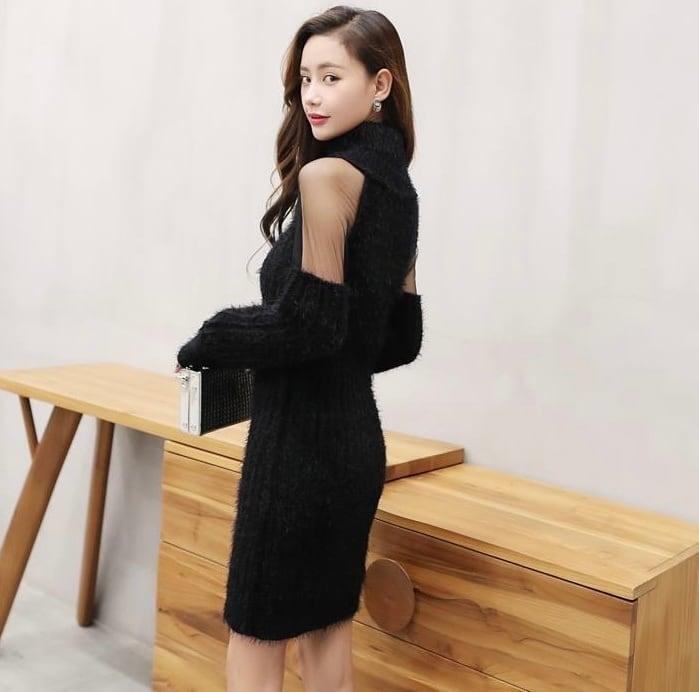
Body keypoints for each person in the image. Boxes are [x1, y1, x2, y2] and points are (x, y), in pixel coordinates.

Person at [176, 5, 422, 691]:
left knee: (256, 631)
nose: (313, 95)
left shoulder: (326, 179)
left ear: (380, 84)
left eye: (332, 77)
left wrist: (213, 337)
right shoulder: (400, 191)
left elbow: (311, 326)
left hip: (297, 452)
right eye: (306, 78)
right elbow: (400, 340)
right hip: (355, 448)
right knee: (325, 631)